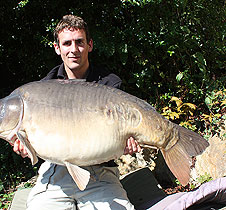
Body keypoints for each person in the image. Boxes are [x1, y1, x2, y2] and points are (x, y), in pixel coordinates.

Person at [13, 14, 141, 210]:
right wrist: (25, 148)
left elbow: (120, 135)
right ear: (57, 48)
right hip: (57, 171)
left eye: (79, 42)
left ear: (89, 45)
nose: (74, 49)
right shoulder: (44, 88)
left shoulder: (109, 84)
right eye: (67, 43)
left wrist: (127, 142)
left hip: (100, 171)